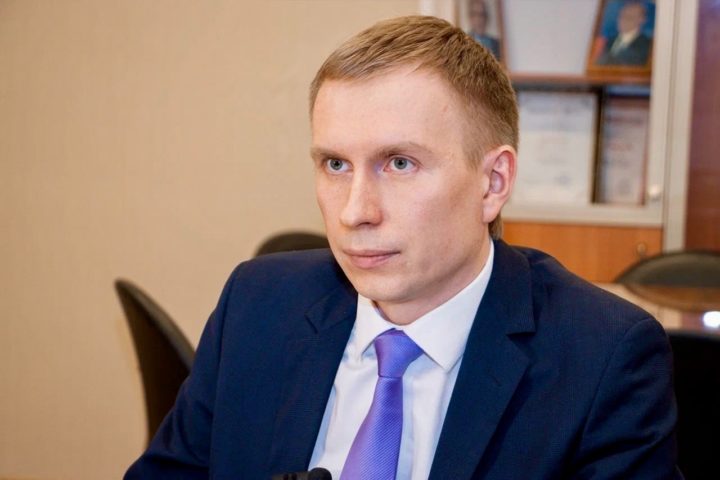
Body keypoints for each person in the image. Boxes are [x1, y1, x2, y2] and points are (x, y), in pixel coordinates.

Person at [125, 15, 680, 479]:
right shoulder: (256, 305)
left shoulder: (603, 357)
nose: (355, 212)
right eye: (335, 164)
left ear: (493, 183)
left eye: (399, 163)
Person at [595, 1, 652, 66]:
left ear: (641, 20)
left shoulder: (646, 44)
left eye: (629, 17)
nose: (622, 20)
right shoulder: (610, 41)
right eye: (621, 16)